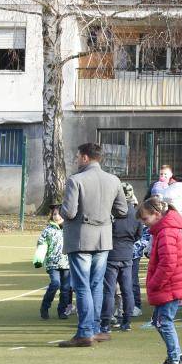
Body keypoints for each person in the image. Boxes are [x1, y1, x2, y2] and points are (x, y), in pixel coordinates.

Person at [55, 142, 129, 348]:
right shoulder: (113, 180)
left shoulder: (75, 180)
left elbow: (68, 212)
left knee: (82, 286)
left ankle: (85, 331)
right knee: (97, 285)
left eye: (78, 156)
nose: (77, 159)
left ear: (86, 157)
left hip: (81, 238)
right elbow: (122, 210)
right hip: (103, 238)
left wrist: (60, 209)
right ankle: (96, 328)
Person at [140, 195, 182, 364]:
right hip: (171, 285)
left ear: (156, 214)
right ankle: (177, 355)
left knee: (164, 322)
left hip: (171, 286)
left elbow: (168, 263)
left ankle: (175, 361)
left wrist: (155, 283)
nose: (145, 224)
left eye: (146, 219)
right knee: (159, 322)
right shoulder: (163, 230)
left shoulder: (166, 232)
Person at [100, 203, 142, 333]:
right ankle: (127, 321)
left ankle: (106, 323)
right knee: (127, 290)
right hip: (127, 255)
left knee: (109, 291)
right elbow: (138, 234)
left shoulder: (110, 212)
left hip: (111, 255)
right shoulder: (135, 214)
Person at [34, 208, 72, 320]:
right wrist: (39, 258)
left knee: (65, 289)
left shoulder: (69, 229)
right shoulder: (48, 230)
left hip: (66, 264)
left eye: (59, 214)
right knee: (55, 283)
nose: (57, 216)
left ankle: (62, 310)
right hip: (52, 263)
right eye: (55, 214)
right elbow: (41, 243)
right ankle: (45, 307)